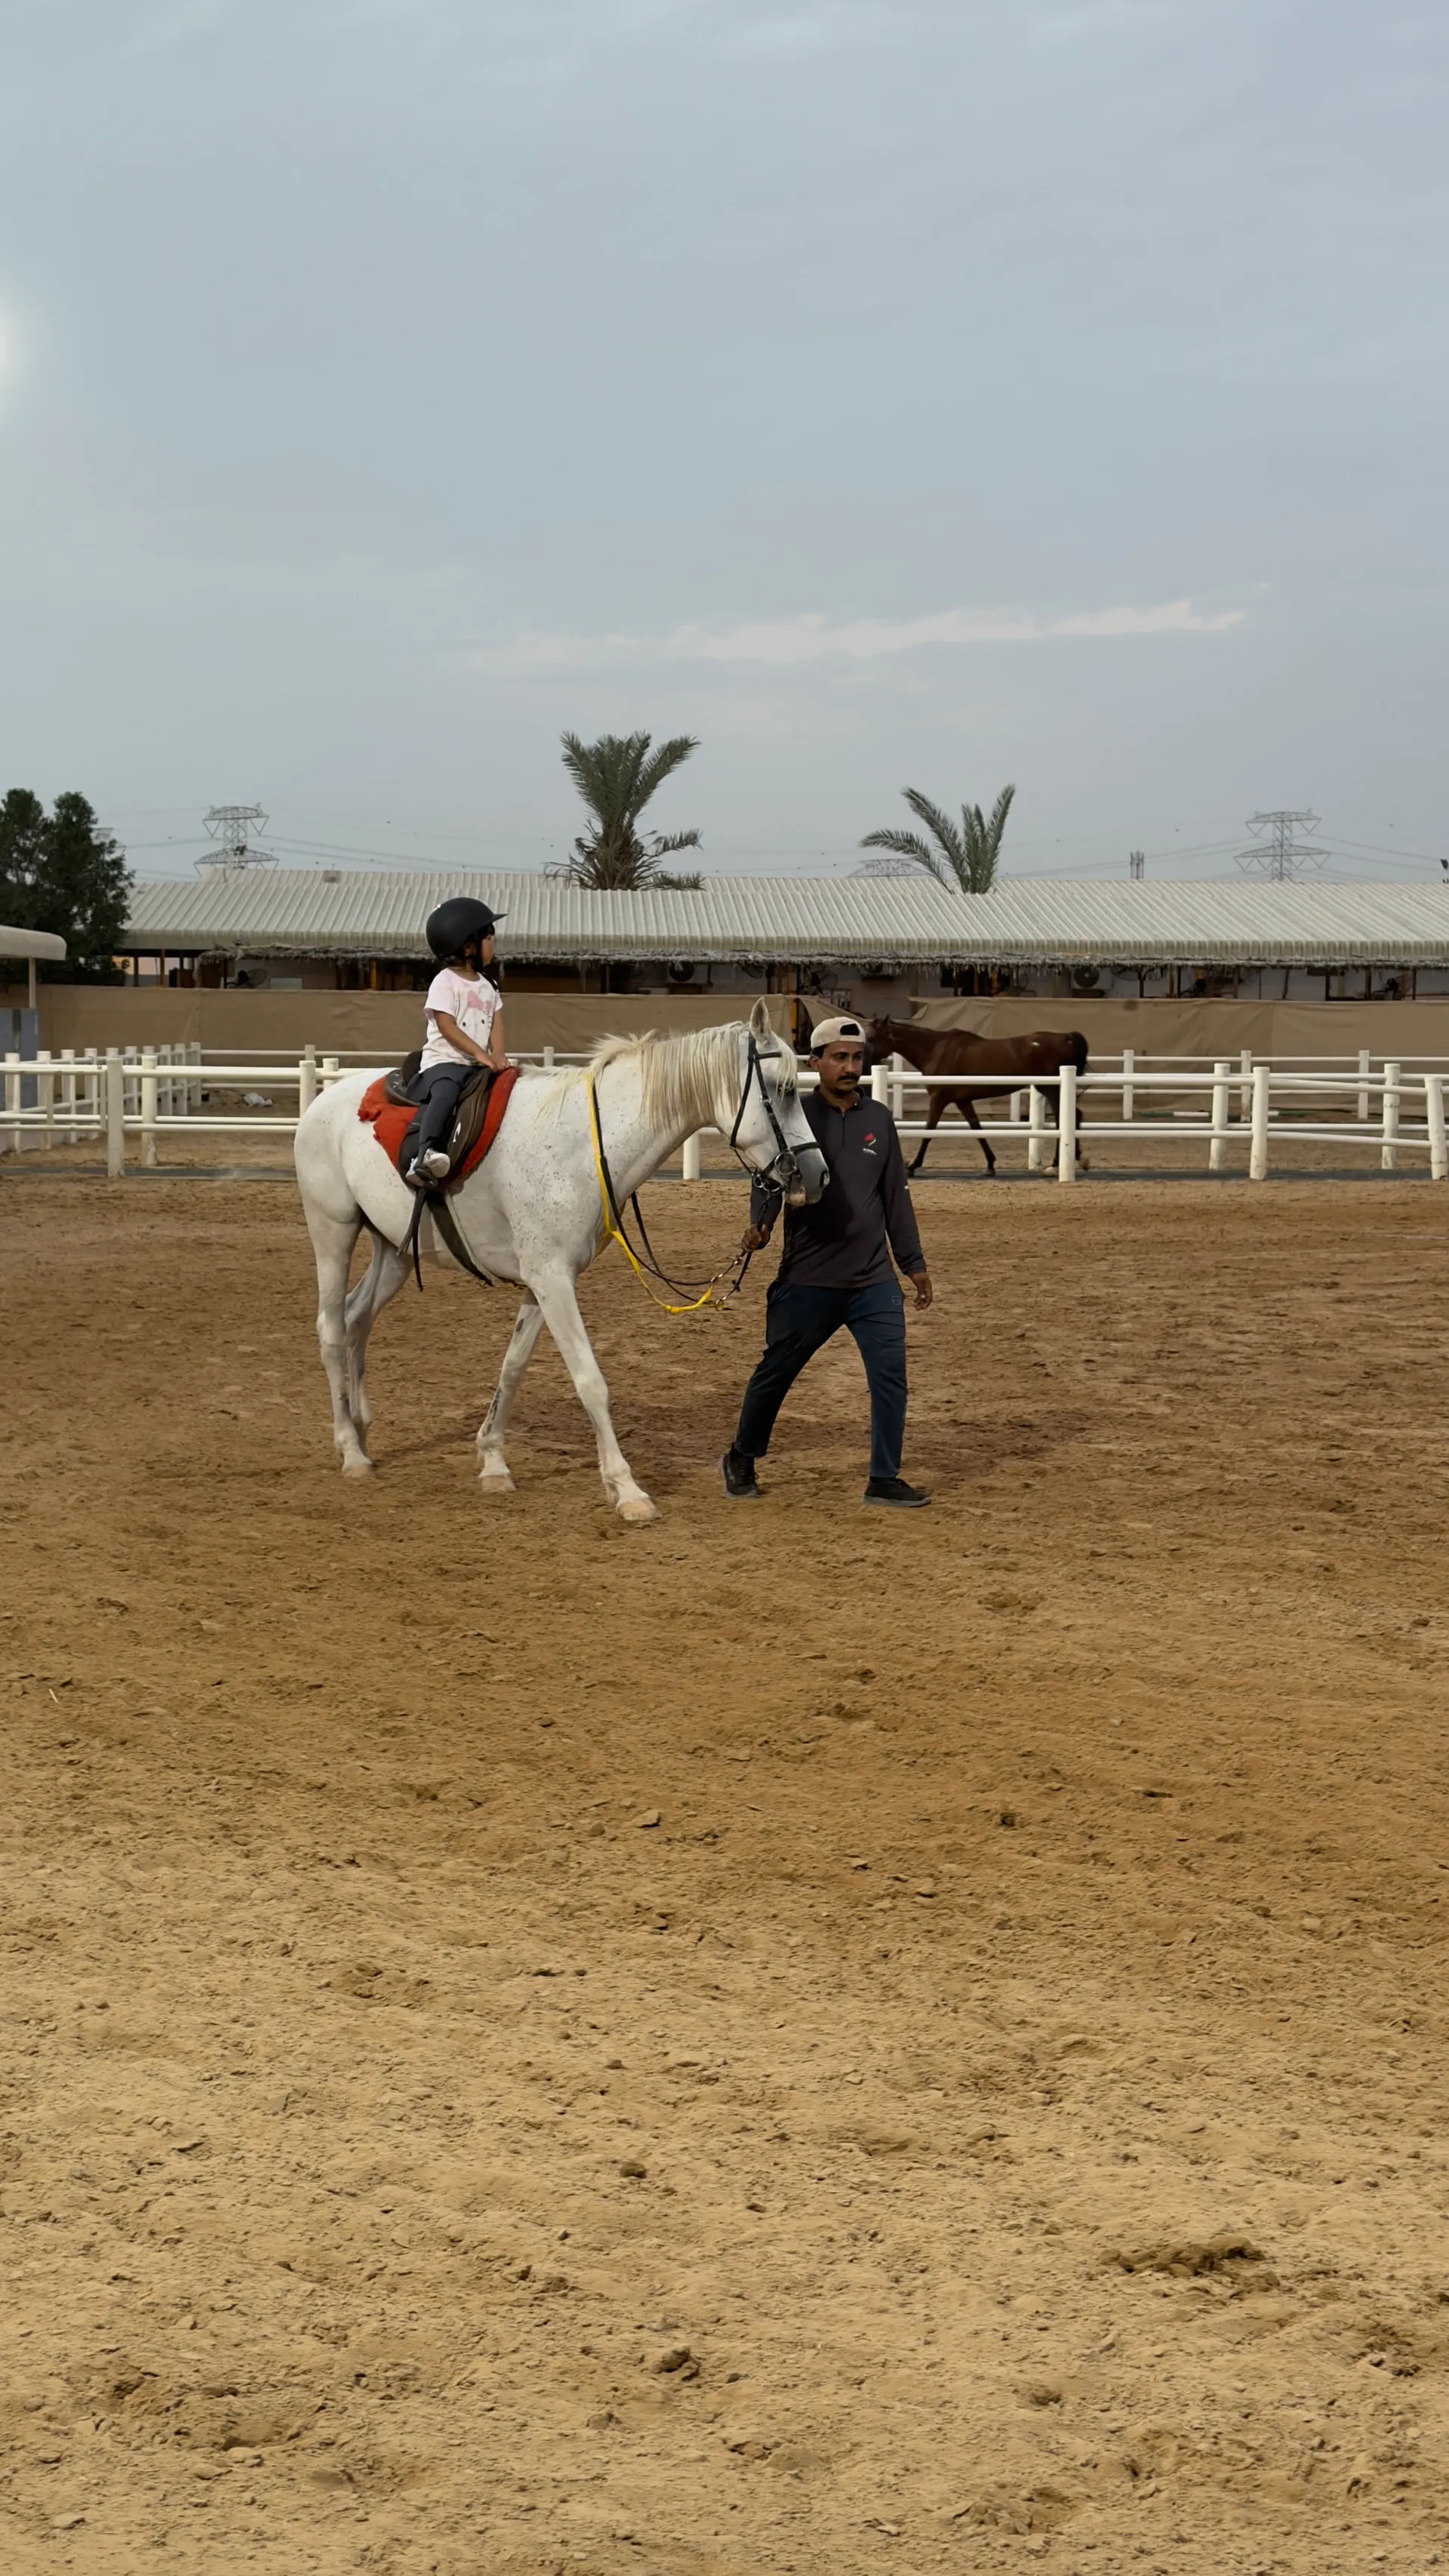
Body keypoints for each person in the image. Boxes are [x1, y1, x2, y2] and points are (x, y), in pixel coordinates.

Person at [721, 1014, 934, 1508]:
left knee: (890, 1376)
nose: (850, 1066)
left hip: (873, 1280)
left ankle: (883, 1476)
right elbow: (767, 1177)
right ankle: (741, 1455)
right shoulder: (795, 1115)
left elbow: (895, 1197)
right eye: (839, 1057)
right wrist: (762, 1223)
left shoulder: (878, 1119)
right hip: (809, 1278)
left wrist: (912, 1262)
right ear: (814, 1062)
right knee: (776, 1371)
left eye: (857, 1058)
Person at [405, 898, 509, 1187]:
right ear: (468, 947)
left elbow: (496, 1022)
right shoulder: (445, 982)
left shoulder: (488, 986)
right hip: (445, 1062)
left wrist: (498, 1054)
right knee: (446, 1093)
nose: (493, 943)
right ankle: (424, 1154)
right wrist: (480, 1053)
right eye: (489, 937)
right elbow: (446, 1026)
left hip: (477, 1064)